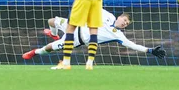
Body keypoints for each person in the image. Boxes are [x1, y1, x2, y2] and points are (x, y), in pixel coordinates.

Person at [22, 9, 166, 61]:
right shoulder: (107, 15)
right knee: (51, 21)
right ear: (120, 16)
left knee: (48, 49)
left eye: (127, 24)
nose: (125, 23)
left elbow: (132, 45)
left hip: (76, 39)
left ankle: (35, 52)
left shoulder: (118, 35)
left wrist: (150, 50)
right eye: (125, 20)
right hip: (75, 25)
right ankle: (54, 35)